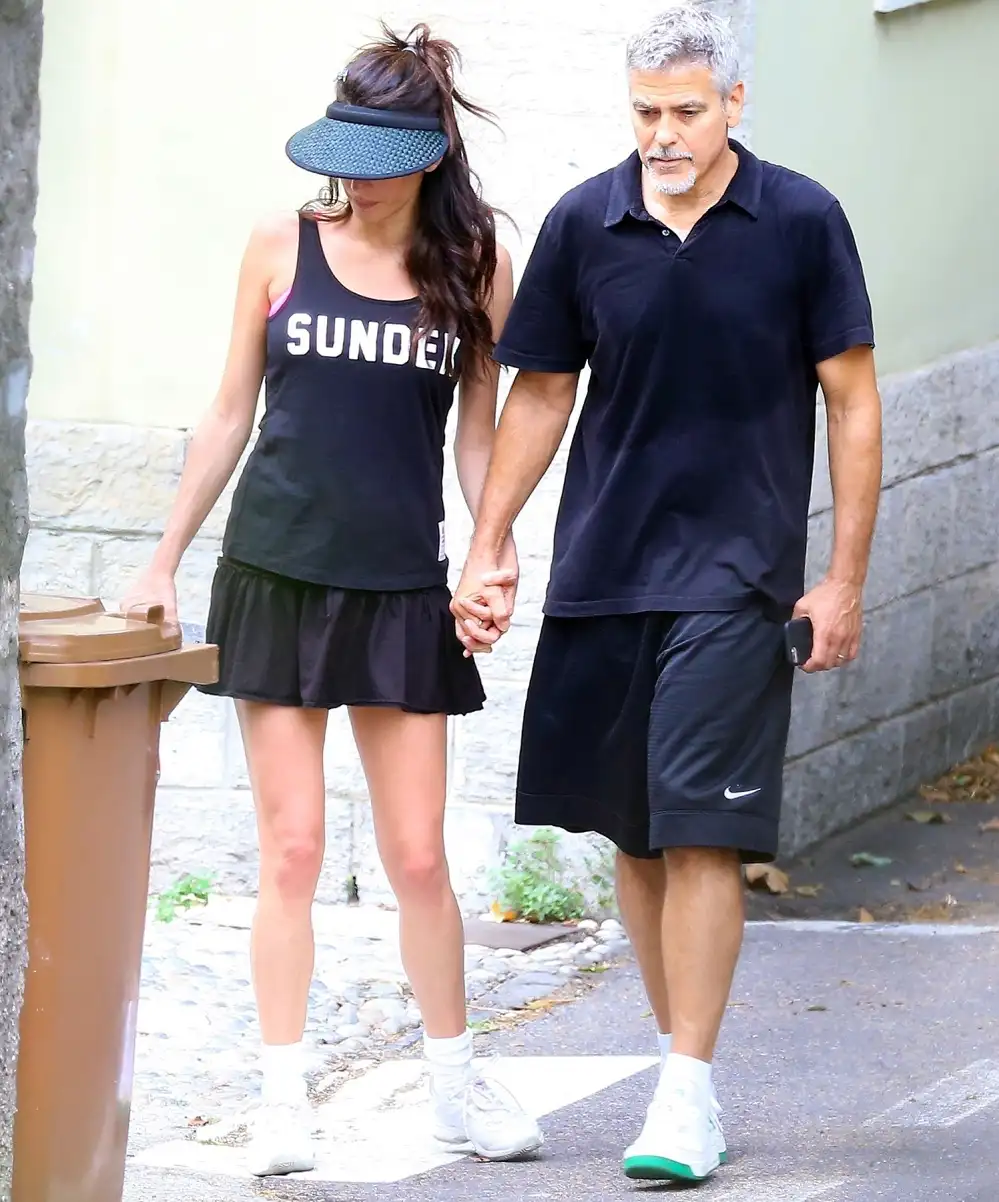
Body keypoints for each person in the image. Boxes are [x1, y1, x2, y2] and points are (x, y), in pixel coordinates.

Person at [452, 3, 882, 1186]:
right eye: (646, 112)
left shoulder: (800, 220)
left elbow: (851, 399)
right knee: (634, 838)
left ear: (735, 104)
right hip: (605, 572)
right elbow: (539, 395)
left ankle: (685, 1091)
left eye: (687, 111)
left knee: (701, 828)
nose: (664, 134)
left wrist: (840, 576)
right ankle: (678, 1065)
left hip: (739, 581)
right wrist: (491, 542)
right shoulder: (588, 222)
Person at [123, 23, 541, 1178]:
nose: (350, 174)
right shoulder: (280, 241)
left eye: (373, 152)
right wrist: (163, 556)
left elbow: (482, 429)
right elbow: (227, 413)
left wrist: (491, 548)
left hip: (401, 584)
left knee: (416, 856)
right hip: (275, 572)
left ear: (425, 154)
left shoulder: (474, 266)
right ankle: (281, 1096)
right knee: (293, 849)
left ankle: (456, 1087)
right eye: (340, 149)